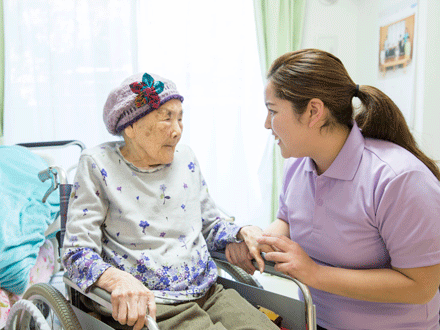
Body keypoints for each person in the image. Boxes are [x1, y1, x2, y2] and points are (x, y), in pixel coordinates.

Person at [226, 49, 440, 330]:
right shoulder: (298, 166)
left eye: (273, 111)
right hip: (314, 321)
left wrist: (315, 274)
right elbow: (289, 221)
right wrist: (258, 243)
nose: (267, 124)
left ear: (314, 111)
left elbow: (421, 286)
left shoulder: (398, 179)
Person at [62, 72, 278, 330]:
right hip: (150, 305)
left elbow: (210, 224)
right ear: (129, 127)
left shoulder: (185, 158)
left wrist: (241, 233)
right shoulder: (98, 165)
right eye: (166, 118)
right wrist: (115, 279)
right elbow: (76, 252)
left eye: (180, 118)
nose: (177, 131)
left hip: (207, 292)